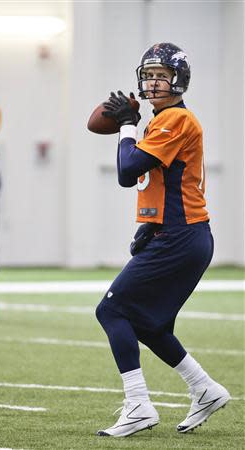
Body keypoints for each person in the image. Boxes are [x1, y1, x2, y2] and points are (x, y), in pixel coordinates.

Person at [95, 43, 230, 437]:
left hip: (182, 236)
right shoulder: (162, 120)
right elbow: (162, 183)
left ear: (179, 80)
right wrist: (148, 226)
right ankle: (204, 388)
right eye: (149, 75)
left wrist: (125, 126)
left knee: (112, 312)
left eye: (162, 75)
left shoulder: (175, 119)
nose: (153, 82)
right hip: (177, 233)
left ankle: (138, 405)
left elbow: (128, 170)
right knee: (152, 326)